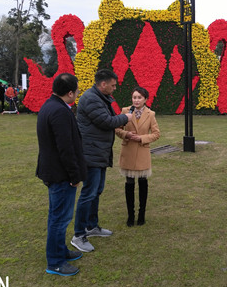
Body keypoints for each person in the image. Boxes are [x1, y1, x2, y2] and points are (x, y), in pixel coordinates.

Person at [71, 69, 132, 252]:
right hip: (91, 153)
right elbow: (106, 121)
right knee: (89, 193)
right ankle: (79, 235)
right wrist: (125, 117)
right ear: (103, 84)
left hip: (99, 152)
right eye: (113, 85)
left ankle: (92, 226)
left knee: (97, 190)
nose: (115, 88)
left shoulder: (99, 97)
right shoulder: (90, 98)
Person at [36, 73, 87, 276]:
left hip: (55, 171)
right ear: (70, 92)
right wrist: (75, 176)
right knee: (60, 218)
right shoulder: (59, 111)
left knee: (57, 216)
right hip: (61, 174)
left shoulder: (51, 106)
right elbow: (65, 148)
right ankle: (55, 261)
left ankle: (60, 251)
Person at [115, 86, 161, 226]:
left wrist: (142, 138)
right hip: (128, 151)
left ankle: (141, 214)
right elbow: (117, 129)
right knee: (129, 183)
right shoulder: (125, 111)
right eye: (134, 97)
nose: (136, 100)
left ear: (145, 99)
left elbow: (156, 134)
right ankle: (130, 215)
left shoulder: (150, 114)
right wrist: (126, 135)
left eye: (139, 97)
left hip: (142, 152)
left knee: (142, 183)